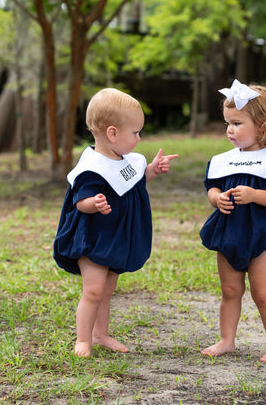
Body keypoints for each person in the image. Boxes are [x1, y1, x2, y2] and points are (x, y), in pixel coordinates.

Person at [54, 87, 178, 358]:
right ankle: (83, 339)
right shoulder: (92, 168)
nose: (139, 138)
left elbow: (132, 183)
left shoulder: (124, 160)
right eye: (135, 132)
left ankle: (101, 334)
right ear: (112, 133)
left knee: (108, 288)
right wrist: (94, 204)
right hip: (93, 237)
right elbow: (79, 202)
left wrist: (152, 170)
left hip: (114, 237)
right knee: (94, 290)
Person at [199, 79, 266, 362]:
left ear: (263, 125)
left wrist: (256, 194)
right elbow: (212, 186)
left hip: (264, 236)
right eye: (227, 124)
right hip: (230, 231)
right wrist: (215, 198)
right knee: (230, 289)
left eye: (237, 123)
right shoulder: (223, 160)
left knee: (263, 292)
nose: (229, 130)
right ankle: (226, 340)